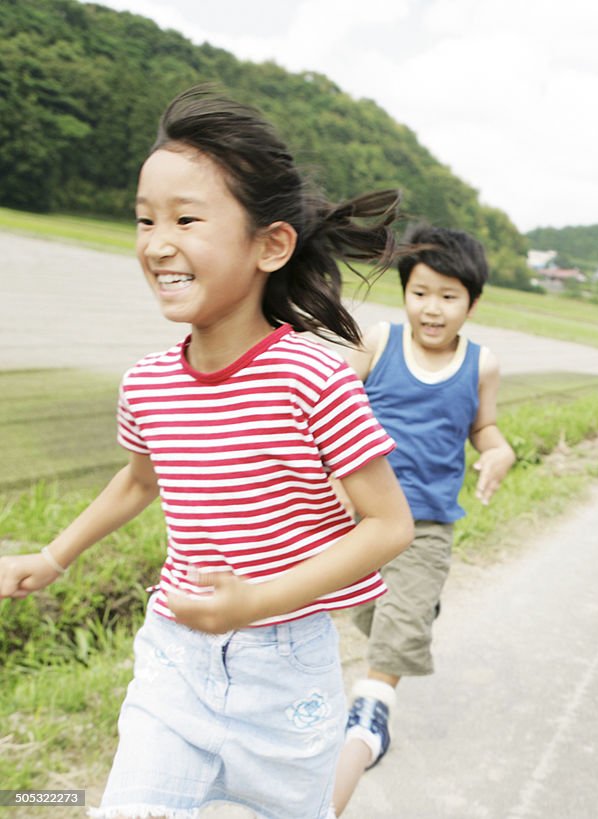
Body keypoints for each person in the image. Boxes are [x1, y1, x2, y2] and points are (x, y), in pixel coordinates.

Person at [0, 87, 414, 819]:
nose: (158, 242)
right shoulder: (149, 384)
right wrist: (53, 556)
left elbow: (388, 525)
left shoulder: (314, 380)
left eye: (186, 219)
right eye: (144, 219)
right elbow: (138, 482)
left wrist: (257, 601)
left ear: (271, 245)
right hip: (176, 656)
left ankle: (361, 733)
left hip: (287, 667)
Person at [330, 224, 516, 813]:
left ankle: (370, 713)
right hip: (361, 520)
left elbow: (482, 427)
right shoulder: (377, 342)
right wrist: (332, 483)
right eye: (421, 292)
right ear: (404, 292)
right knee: (366, 613)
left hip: (428, 523)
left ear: (472, 303)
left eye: (449, 296)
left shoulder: (482, 364)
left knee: (400, 627)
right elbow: (328, 413)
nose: (432, 309)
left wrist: (498, 449)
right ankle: (406, 616)